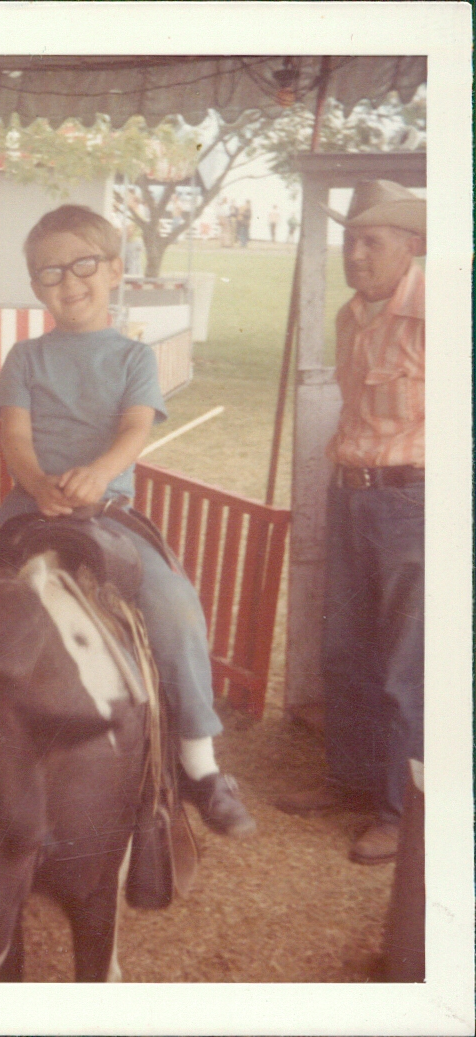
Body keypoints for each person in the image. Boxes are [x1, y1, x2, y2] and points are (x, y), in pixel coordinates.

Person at [0, 204, 256, 838]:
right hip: (26, 506)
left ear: (114, 270)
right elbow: (15, 436)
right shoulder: (26, 356)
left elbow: (135, 428)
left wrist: (98, 473)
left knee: (174, 606)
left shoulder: (134, 358)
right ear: (37, 286)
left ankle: (201, 761)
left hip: (107, 509)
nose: (68, 282)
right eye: (49, 272)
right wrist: (36, 484)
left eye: (83, 265)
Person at [275, 181, 425, 866]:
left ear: (410, 245)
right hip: (350, 494)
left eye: (372, 241)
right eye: (350, 240)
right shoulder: (350, 315)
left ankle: (397, 811)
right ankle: (348, 780)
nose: (356, 254)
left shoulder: (442, 311)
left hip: (412, 502)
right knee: (344, 650)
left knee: (403, 666)